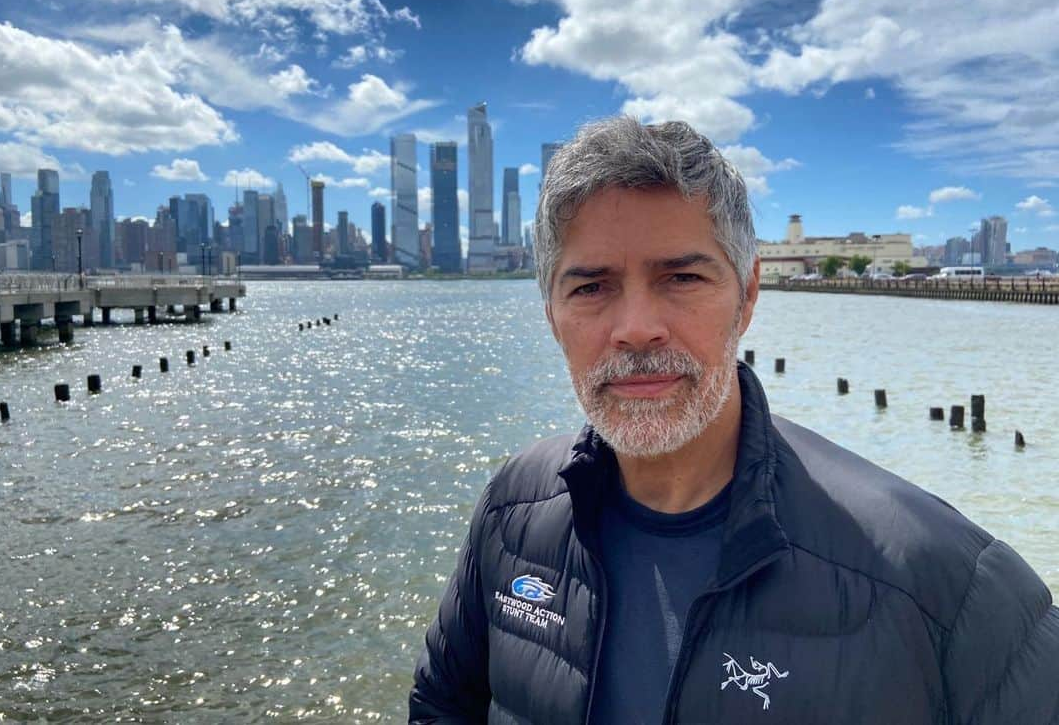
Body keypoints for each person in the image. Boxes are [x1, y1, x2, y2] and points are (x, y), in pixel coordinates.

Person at [409, 116, 1059, 724]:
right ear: (551, 314)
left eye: (683, 278)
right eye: (590, 287)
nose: (636, 329)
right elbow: (440, 704)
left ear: (747, 296)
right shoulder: (511, 512)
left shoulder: (951, 587)